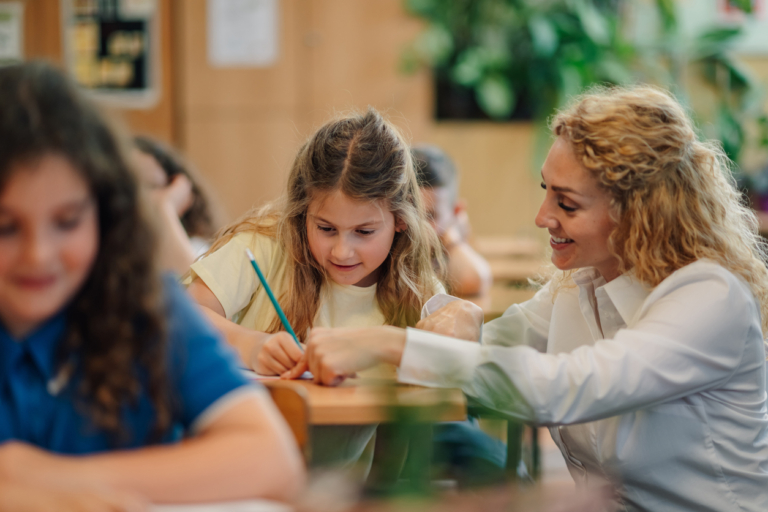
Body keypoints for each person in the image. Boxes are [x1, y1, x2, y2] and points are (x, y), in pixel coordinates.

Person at [289, 86, 768, 511]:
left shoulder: (709, 296)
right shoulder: (579, 288)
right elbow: (481, 349)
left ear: (638, 211)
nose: (542, 217)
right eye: (547, 192)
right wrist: (454, 319)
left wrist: (392, 344)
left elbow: (562, 388)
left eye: (567, 203)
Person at [0, 62, 305, 505]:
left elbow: (272, 462)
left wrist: (45, 477)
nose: (38, 255)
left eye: (68, 222)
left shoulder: (147, 309)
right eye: (5, 228)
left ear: (106, 216)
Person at [186, 108, 445, 468]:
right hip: (237, 472)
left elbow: (447, 366)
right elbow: (181, 316)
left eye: (364, 232)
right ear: (303, 211)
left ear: (400, 221)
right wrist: (250, 344)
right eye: (325, 229)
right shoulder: (266, 244)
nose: (341, 250)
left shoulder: (415, 288)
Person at [133, 136, 220, 275]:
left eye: (150, 186)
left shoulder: (197, 249)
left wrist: (164, 206)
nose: (141, 199)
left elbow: (191, 293)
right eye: (128, 187)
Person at [413, 144, 491, 296]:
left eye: (430, 216)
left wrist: (452, 239)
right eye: (411, 213)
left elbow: (473, 279)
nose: (418, 227)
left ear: (456, 213)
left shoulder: (447, 250)